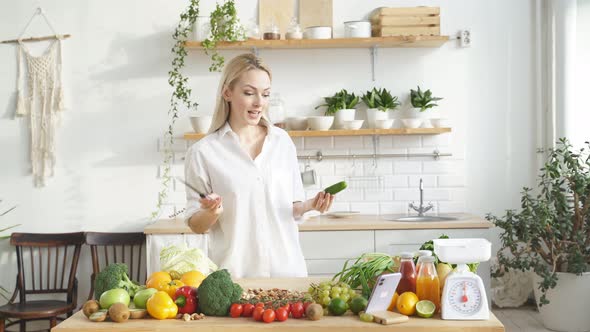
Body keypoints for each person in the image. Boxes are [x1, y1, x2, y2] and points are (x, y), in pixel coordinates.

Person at [184, 53, 334, 278]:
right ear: (227, 93)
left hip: (288, 273)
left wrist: (310, 205)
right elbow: (196, 225)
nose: (259, 103)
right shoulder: (203, 152)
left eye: (265, 94)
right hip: (235, 278)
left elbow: (291, 207)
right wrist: (211, 212)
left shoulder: (282, 141)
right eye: (248, 93)